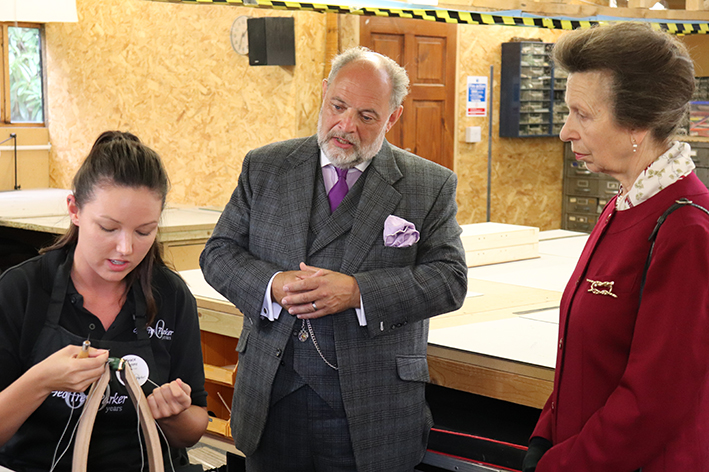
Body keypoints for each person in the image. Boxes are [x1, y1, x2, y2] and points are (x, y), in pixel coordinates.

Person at [200, 47, 468, 472]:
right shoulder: (265, 167)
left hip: (373, 409)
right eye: (338, 106)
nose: (345, 126)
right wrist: (271, 285)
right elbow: (218, 253)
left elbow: (450, 280)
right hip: (271, 399)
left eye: (366, 116)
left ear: (392, 118)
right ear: (324, 94)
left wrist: (360, 292)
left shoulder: (428, 185)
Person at [523, 22, 709, 472]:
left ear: (637, 124)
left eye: (582, 115)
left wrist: (559, 465)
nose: (566, 131)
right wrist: (544, 435)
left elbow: (653, 402)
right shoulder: (625, 204)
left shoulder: (686, 229)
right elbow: (582, 353)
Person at [0, 131, 209, 471]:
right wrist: (41, 381)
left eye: (144, 232)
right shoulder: (21, 290)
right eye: (108, 228)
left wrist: (173, 414)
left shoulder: (171, 295)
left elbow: (193, 429)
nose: (126, 249)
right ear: (75, 210)